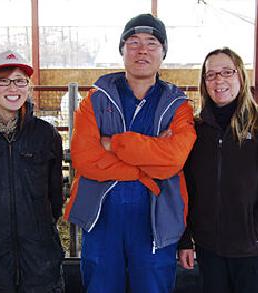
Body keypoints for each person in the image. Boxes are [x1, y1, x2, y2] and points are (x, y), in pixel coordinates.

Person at [64, 13, 196, 293]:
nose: (142, 49)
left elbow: (173, 160)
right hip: (101, 219)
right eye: (133, 42)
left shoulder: (179, 105)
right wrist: (147, 164)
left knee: (152, 286)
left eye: (151, 42)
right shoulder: (96, 99)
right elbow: (85, 159)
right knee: (100, 286)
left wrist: (113, 145)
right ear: (122, 50)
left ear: (163, 52)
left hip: (156, 220)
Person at [178, 47, 258, 293]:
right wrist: (185, 239)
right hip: (210, 250)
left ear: (241, 78)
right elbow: (184, 187)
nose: (219, 80)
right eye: (211, 75)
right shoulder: (194, 130)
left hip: (255, 251)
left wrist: (255, 231)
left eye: (227, 72)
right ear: (204, 83)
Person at [0, 50, 65, 293]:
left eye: (20, 80)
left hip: (39, 253)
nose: (12, 88)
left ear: (28, 86)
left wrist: (42, 228)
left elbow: (55, 193)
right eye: (3, 80)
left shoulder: (45, 135)